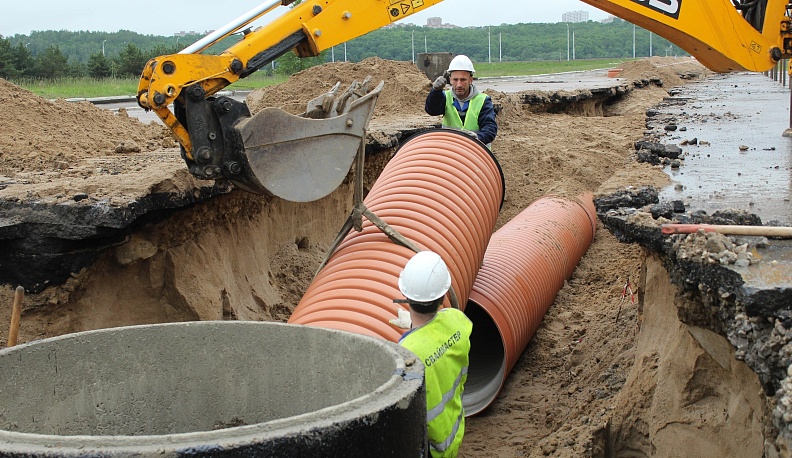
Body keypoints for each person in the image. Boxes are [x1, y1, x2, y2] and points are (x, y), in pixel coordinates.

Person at [395, 251, 472, 458]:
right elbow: (438, 337)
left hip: (431, 448)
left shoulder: (408, 353)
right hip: (453, 430)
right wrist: (415, 326)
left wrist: (411, 333)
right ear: (444, 295)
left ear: (405, 296)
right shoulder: (459, 321)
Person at [425, 54, 498, 148]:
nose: (459, 84)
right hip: (452, 153)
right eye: (455, 79)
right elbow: (431, 110)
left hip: (477, 153)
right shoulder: (445, 97)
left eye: (463, 80)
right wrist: (435, 91)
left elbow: (490, 128)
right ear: (450, 80)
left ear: (471, 80)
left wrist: (478, 138)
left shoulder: (483, 101)